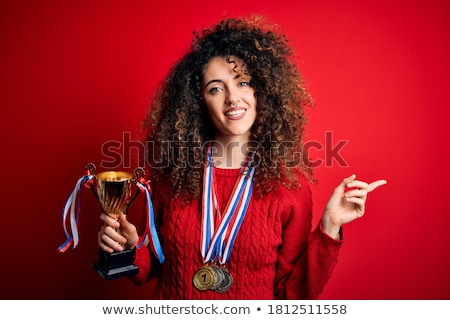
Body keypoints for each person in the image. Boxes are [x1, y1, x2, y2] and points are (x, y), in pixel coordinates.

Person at [97, 15, 386, 299]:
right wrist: (128, 247)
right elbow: (151, 267)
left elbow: (292, 295)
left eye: (243, 82)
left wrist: (330, 226)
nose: (232, 97)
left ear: (262, 90)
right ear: (199, 101)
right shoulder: (170, 173)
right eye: (215, 88)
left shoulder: (289, 185)